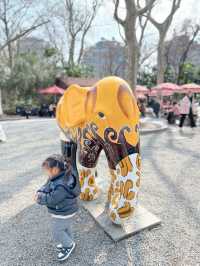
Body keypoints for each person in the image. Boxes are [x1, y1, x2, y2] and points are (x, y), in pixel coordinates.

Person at [35, 154, 81, 262]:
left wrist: (40, 198)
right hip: (66, 209)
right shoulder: (58, 176)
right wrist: (40, 191)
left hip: (64, 211)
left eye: (47, 171)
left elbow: (52, 199)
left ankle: (68, 245)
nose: (46, 173)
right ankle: (69, 241)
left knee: (57, 230)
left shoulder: (61, 185)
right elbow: (47, 185)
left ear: (55, 170)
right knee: (65, 227)